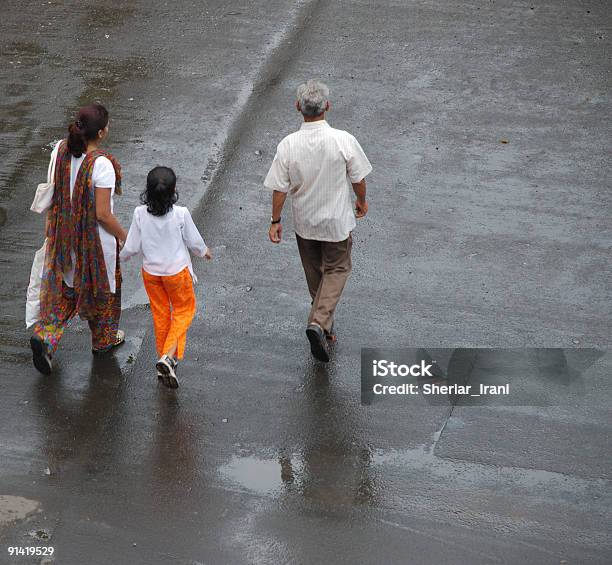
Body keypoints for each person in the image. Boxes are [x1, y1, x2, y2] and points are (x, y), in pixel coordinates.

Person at [264, 80, 372, 362]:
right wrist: (361, 201)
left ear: (298, 107)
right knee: (337, 269)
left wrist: (275, 220)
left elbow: (279, 187)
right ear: (328, 106)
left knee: (315, 274)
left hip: (305, 223)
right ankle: (319, 321)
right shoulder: (342, 140)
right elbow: (358, 179)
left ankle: (324, 322)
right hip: (335, 222)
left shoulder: (288, 144)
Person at [30, 104, 127, 374]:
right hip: (95, 246)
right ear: (102, 132)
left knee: (68, 292)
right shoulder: (102, 165)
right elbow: (103, 215)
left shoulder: (60, 149)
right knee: (103, 293)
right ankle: (104, 340)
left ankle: (45, 336)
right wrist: (125, 236)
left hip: (65, 238)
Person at [120, 166, 211, 388]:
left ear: (148, 192)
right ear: (174, 191)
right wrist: (203, 251)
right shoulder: (181, 214)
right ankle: (168, 356)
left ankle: (166, 362)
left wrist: (120, 258)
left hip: (151, 273)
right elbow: (193, 240)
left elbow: (132, 245)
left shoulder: (139, 214)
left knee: (161, 316)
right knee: (184, 311)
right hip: (176, 273)